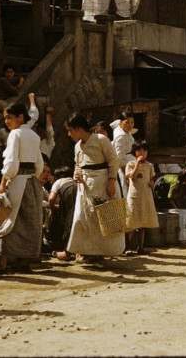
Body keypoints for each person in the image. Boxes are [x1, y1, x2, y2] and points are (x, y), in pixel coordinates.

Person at [0, 103, 45, 273]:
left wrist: (3, 183)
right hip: (31, 182)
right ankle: (24, 262)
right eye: (5, 117)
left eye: (9, 117)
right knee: (29, 222)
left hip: (17, 180)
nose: (6, 121)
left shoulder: (15, 134)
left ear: (21, 117)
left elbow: (11, 162)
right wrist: (34, 178)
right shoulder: (34, 136)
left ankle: (3, 262)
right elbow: (39, 164)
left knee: (8, 219)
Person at [64, 112, 124, 265]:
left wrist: (111, 182)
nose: (69, 134)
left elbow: (113, 160)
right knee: (83, 219)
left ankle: (102, 253)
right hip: (85, 186)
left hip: (102, 182)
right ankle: (87, 251)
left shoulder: (100, 139)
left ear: (78, 128)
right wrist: (76, 175)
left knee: (103, 218)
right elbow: (78, 165)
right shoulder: (77, 146)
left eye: (70, 130)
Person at [124, 140, 159, 256]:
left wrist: (152, 183)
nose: (142, 153)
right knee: (131, 221)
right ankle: (128, 247)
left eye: (144, 150)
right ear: (135, 152)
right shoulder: (130, 164)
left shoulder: (149, 166)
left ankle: (141, 247)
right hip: (134, 195)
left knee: (143, 222)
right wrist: (138, 164)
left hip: (145, 195)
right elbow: (132, 177)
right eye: (139, 150)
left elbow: (151, 178)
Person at [46, 166, 78, 260]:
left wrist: (52, 209)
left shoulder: (58, 182)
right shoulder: (73, 181)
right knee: (76, 219)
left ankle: (67, 251)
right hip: (78, 191)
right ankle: (77, 251)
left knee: (69, 221)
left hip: (68, 192)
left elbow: (51, 199)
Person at [112, 112, 136, 198]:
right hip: (124, 166)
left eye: (132, 122)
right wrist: (126, 173)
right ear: (121, 122)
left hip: (130, 160)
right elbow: (119, 158)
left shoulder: (125, 131)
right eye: (127, 122)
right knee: (127, 189)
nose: (130, 125)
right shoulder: (121, 136)